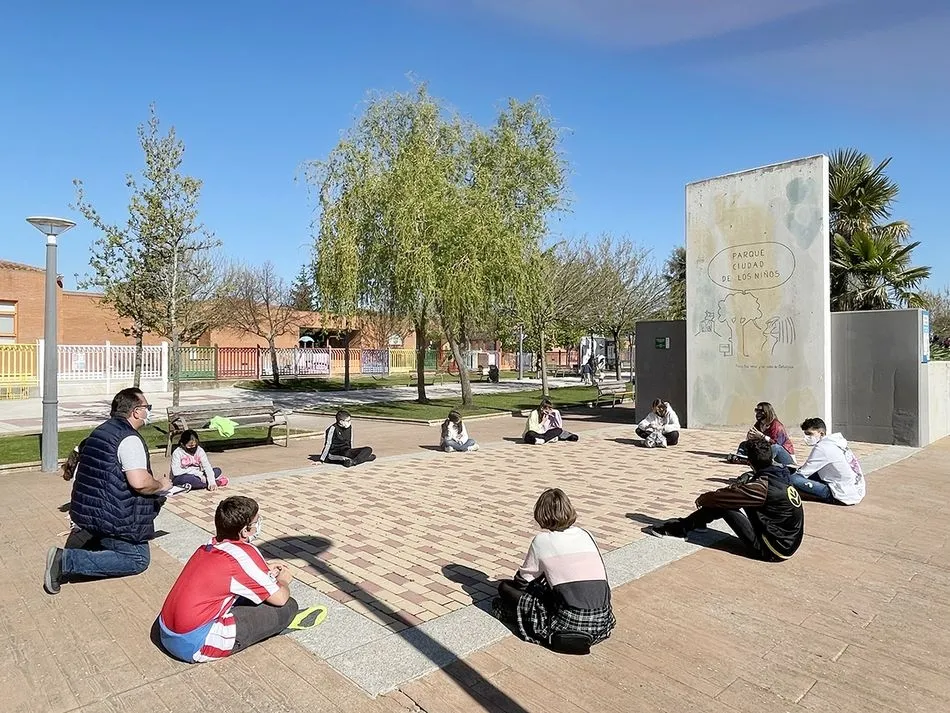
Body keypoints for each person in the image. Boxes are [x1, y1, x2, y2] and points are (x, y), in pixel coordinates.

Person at [44, 388, 171, 595]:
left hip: (91, 512)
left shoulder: (101, 431)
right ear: (136, 411)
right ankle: (65, 560)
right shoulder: (129, 439)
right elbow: (140, 482)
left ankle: (92, 543)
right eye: (147, 407)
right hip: (113, 516)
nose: (148, 412)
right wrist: (161, 485)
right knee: (138, 559)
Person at [157, 496, 299, 662]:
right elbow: (280, 599)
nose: (258, 525)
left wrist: (264, 568)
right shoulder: (243, 553)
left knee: (249, 593)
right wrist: (283, 580)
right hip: (196, 643)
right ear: (245, 530)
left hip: (167, 631)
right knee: (288, 606)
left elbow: (233, 571)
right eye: (256, 521)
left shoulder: (207, 547)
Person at [493, 488, 615, 654]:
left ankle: (515, 615)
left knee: (505, 588)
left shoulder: (541, 541)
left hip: (567, 623)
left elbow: (522, 582)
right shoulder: (586, 534)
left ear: (541, 514)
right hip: (602, 621)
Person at [647, 439, 804, 561]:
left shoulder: (761, 487)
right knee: (733, 497)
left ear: (749, 462)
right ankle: (697, 523)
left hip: (771, 550)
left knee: (723, 503)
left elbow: (722, 497)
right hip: (788, 543)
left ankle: (680, 529)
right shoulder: (780, 475)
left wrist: (702, 499)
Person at [788, 418, 866, 505]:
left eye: (809, 434)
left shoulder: (822, 447)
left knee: (793, 479)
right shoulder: (837, 442)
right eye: (805, 434)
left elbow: (803, 473)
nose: (807, 437)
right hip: (855, 490)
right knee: (810, 473)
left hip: (841, 495)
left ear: (821, 433)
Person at [728, 402, 796, 466]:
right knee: (744, 444)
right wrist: (750, 437)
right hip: (767, 452)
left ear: (767, 412)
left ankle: (754, 461)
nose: (758, 413)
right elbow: (754, 437)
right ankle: (740, 458)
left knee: (774, 447)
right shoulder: (759, 424)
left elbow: (778, 444)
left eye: (761, 411)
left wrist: (762, 436)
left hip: (784, 457)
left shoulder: (777, 426)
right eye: (756, 410)